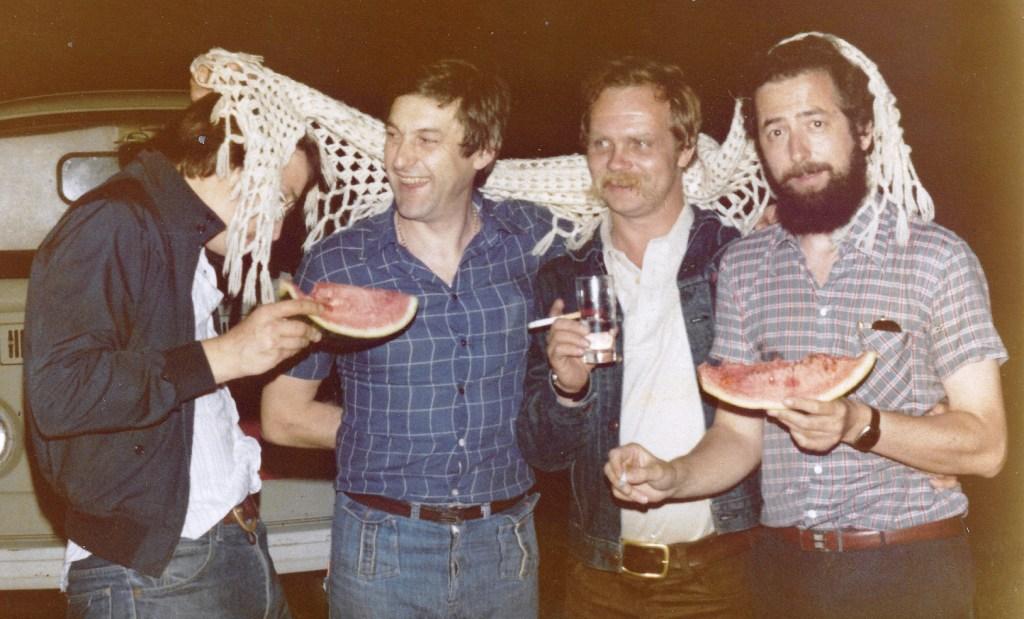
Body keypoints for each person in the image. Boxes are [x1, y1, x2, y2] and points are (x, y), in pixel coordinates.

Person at [605, 33, 1007, 618]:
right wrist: (674, 475)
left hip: (909, 571)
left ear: (863, 131)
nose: (797, 149)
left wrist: (857, 424)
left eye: (815, 123)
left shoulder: (938, 258)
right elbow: (738, 439)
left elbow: (987, 445)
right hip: (781, 576)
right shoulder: (744, 266)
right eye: (775, 131)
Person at [261, 59, 564, 619]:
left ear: (483, 150)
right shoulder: (340, 260)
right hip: (383, 546)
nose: (400, 160)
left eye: (427, 140)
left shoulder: (532, 238)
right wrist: (401, 436)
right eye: (394, 135)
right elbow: (283, 415)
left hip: (506, 546)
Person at [24, 92, 324, 618]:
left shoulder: (186, 245)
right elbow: (60, 392)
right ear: (231, 160)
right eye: (277, 200)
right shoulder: (116, 220)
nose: (278, 228)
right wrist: (226, 355)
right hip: (156, 576)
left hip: (231, 550)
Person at [515, 57, 761, 618]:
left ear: (686, 148)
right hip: (597, 579)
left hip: (723, 575)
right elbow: (542, 453)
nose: (617, 163)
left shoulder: (737, 261)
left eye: (640, 143)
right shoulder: (560, 278)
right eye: (601, 144)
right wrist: (566, 390)